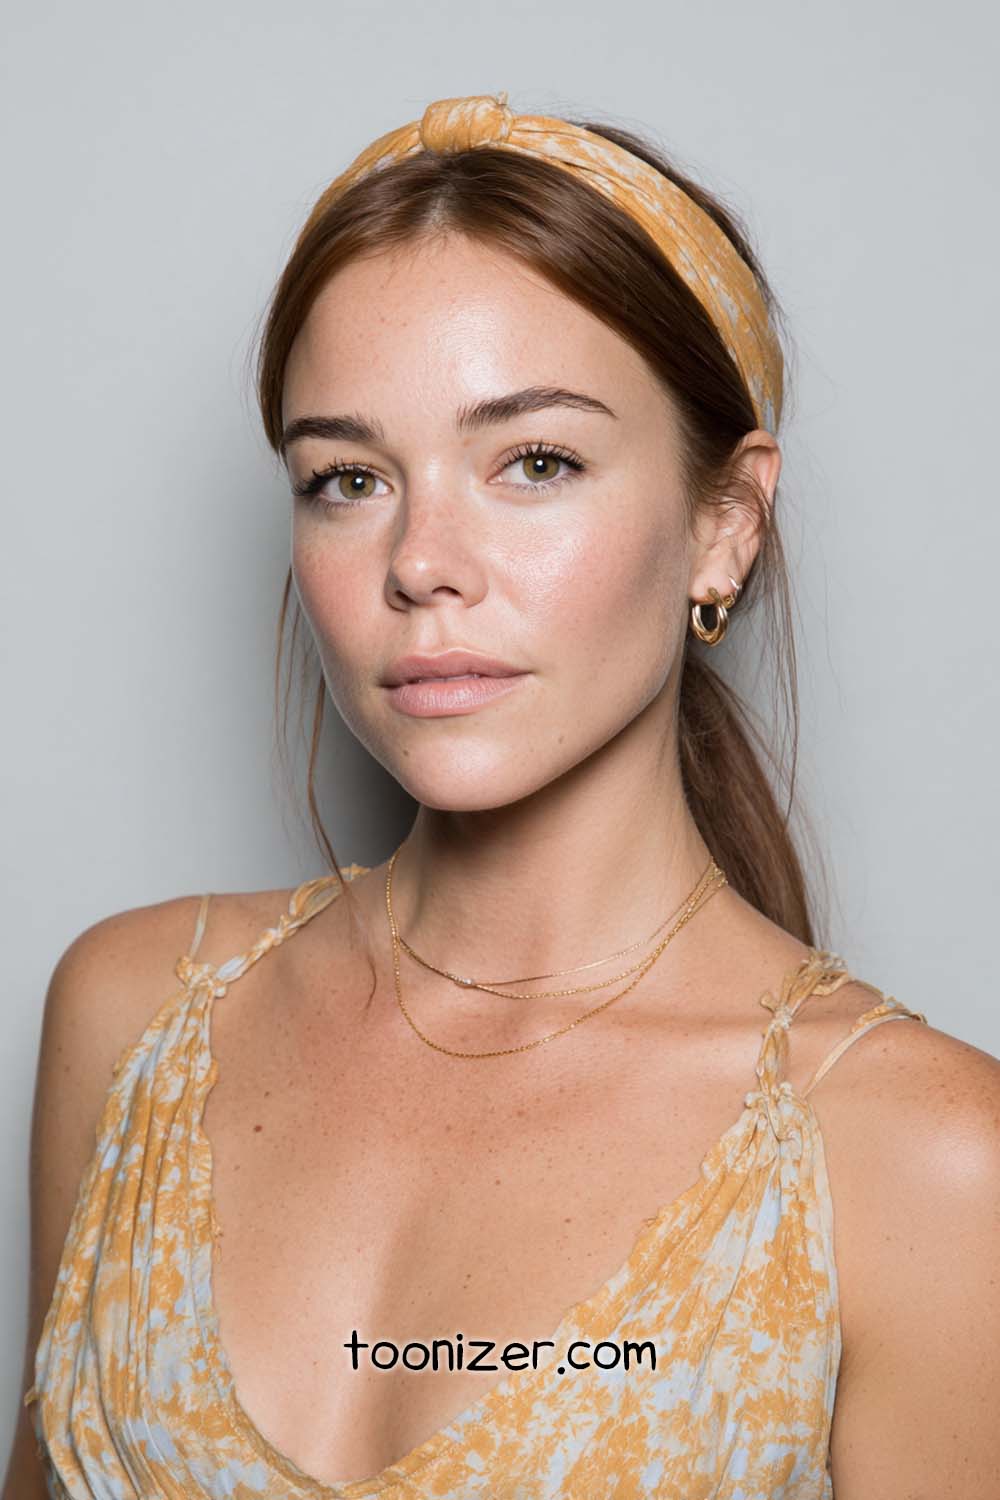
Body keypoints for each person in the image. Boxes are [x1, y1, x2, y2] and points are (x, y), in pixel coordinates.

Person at [6, 91, 1000, 1500]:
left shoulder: (924, 1160)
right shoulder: (130, 1016)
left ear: (727, 524)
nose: (423, 561)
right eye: (348, 478)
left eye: (536, 462)